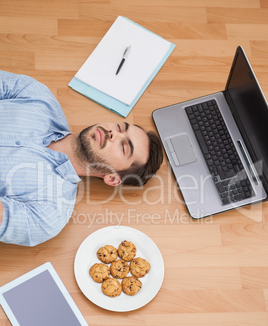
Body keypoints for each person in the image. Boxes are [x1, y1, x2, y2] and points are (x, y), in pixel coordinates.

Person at [0, 71, 163, 247]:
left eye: (124, 147)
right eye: (119, 127)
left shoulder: (51, 213)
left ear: (113, 178)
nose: (113, 133)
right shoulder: (38, 96)